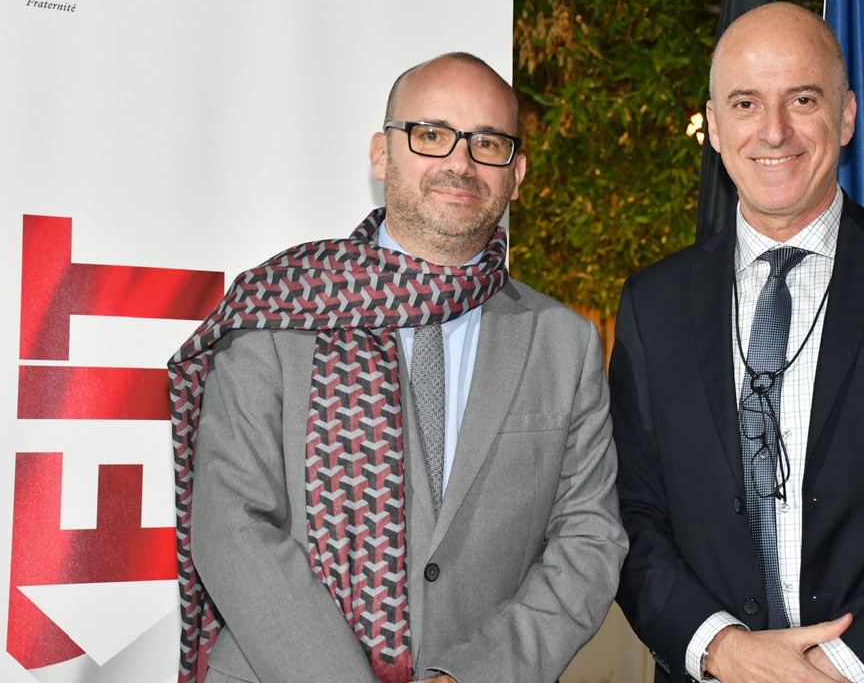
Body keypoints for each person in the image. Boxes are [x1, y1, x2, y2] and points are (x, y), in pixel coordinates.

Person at [609, 3, 864, 683]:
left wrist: (838, 668)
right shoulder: (651, 304)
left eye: (803, 99)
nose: (774, 130)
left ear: (846, 116)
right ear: (714, 126)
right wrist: (725, 650)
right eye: (745, 103)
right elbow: (627, 516)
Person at [170, 52, 627, 683]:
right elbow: (231, 528)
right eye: (431, 134)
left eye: (487, 142)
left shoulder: (562, 343)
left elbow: (590, 540)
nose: (460, 162)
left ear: (516, 174)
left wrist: (472, 676)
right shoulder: (280, 309)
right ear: (382, 154)